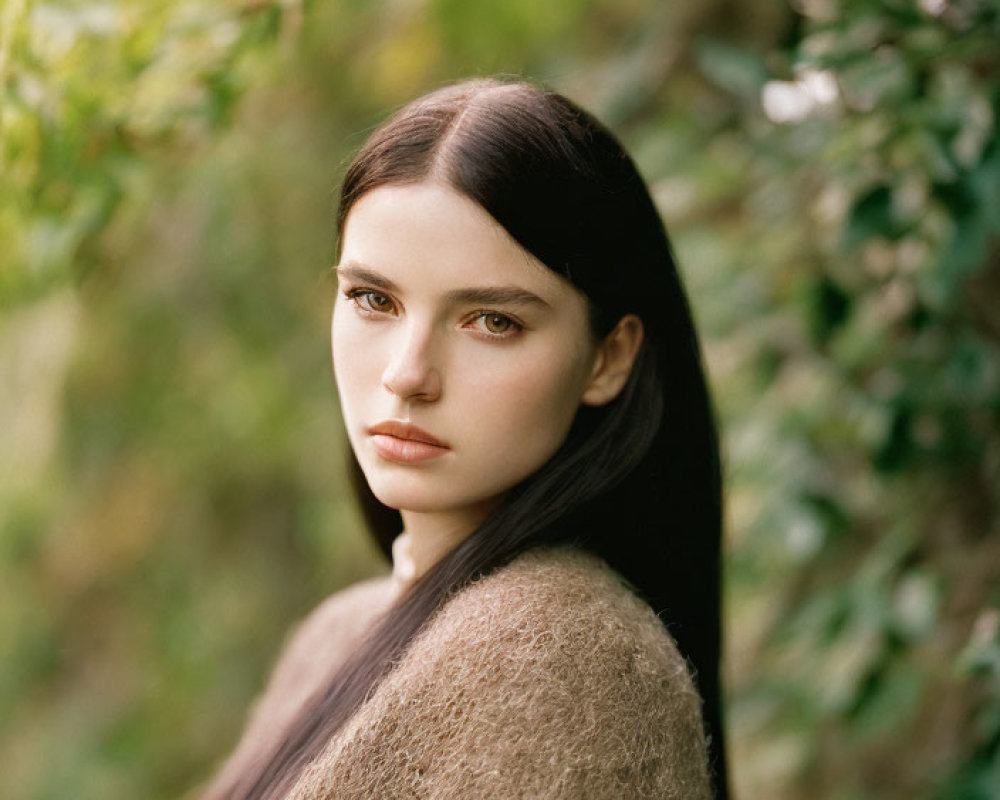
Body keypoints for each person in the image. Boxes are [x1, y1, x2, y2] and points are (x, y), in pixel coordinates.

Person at [195, 77, 727, 800]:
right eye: (372, 299)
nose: (407, 375)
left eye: (492, 321)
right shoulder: (336, 634)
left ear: (609, 358)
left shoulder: (569, 659)